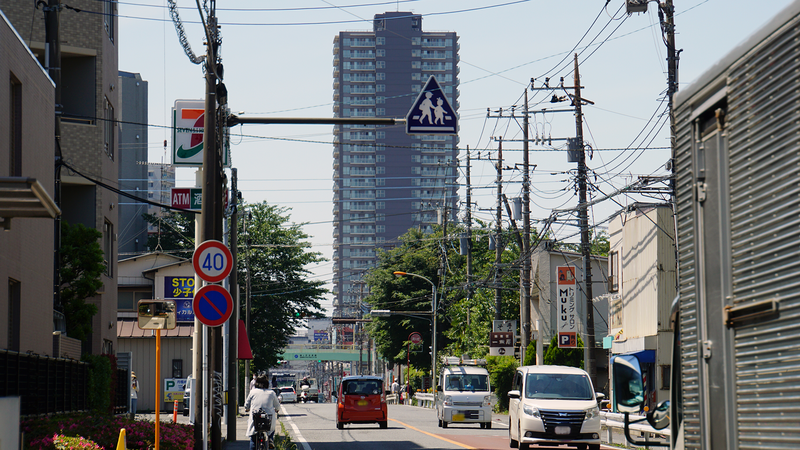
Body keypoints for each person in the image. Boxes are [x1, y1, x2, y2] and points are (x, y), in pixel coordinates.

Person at [245, 373, 281, 450]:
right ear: (267, 383)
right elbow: (277, 406)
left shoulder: (253, 392)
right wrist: (277, 409)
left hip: (256, 419)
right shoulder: (271, 393)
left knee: (253, 440)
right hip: (268, 419)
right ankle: (270, 439)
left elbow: (246, 405)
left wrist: (247, 408)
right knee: (270, 430)